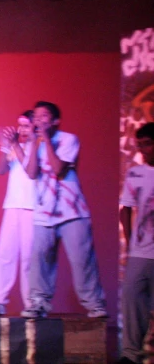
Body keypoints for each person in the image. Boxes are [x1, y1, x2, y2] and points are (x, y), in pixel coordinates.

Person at [21, 101, 107, 318]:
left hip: (72, 212)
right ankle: (39, 303)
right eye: (36, 116)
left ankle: (94, 305)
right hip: (44, 212)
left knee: (82, 261)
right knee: (40, 260)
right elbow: (31, 173)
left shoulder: (69, 139)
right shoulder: (35, 142)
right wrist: (33, 142)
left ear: (56, 121)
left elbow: (59, 169)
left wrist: (47, 140)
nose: (39, 120)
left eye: (44, 116)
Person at [0, 111, 37, 316]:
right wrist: (5, 146)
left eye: (26, 125)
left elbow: (30, 170)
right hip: (12, 206)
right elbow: (0, 169)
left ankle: (32, 303)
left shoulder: (38, 147)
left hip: (32, 208)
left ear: (35, 127)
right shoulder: (16, 147)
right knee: (5, 254)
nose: (21, 130)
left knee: (29, 259)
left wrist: (13, 146)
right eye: (19, 125)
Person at [119, 122, 154, 364]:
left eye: (147, 144)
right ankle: (131, 354)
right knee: (132, 300)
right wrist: (131, 244)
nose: (143, 149)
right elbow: (125, 210)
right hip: (141, 252)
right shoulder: (136, 173)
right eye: (140, 145)